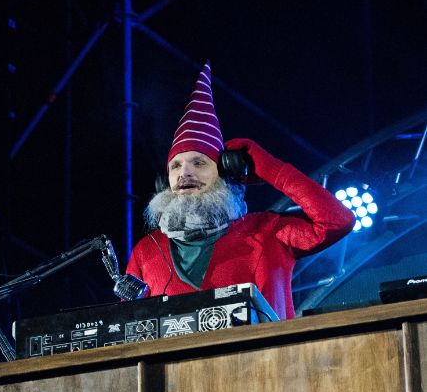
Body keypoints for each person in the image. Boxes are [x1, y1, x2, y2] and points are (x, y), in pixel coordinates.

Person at [126, 61, 354, 319]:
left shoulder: (269, 232)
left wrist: (270, 168)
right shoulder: (146, 250)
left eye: (199, 163)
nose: (184, 173)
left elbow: (338, 221)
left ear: (226, 172)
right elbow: (125, 327)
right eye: (175, 166)